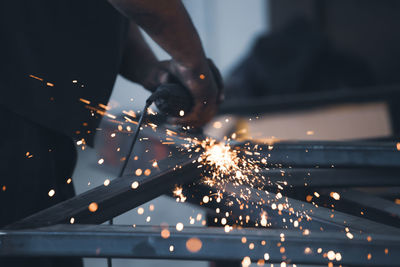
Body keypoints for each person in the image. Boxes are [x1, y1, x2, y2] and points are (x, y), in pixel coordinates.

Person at [0, 0, 222, 266]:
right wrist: (195, 68)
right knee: (29, 250)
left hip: (26, 111)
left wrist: (150, 69)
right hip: (12, 112)